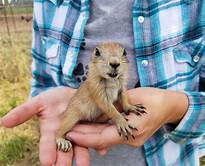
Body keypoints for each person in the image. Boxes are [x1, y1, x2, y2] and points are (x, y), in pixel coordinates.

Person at [1, 0, 205, 165]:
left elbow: (121, 92)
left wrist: (174, 108)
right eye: (100, 56)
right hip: (77, 151)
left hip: (169, 158)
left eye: (121, 57)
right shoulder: (48, 4)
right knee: (70, 118)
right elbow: (46, 82)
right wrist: (45, 113)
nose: (114, 63)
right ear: (94, 59)